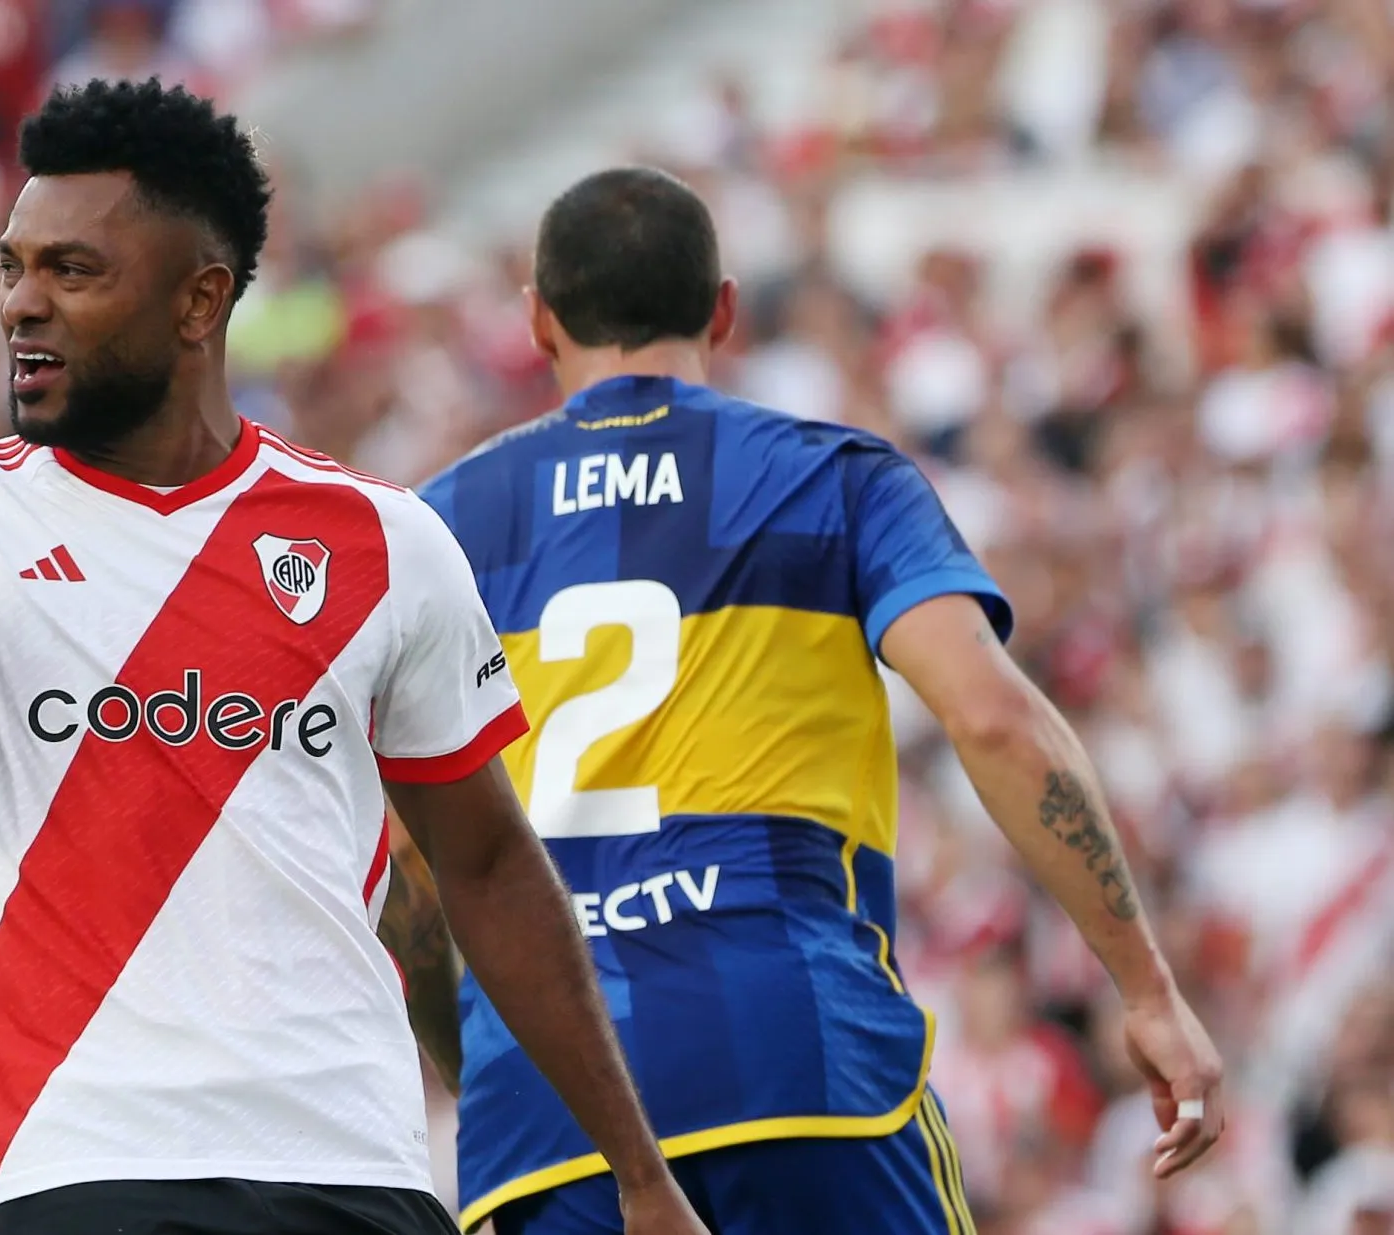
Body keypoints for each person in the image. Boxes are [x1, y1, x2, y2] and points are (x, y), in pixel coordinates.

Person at [0, 82, 708, 1235]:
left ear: (200, 300)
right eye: (12, 268)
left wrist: (638, 1172)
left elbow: (483, 873)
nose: (21, 307)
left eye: (72, 271)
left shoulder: (385, 541)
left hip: (356, 1168)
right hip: (86, 1162)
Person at [380, 167, 1227, 1235]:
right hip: (798, 1062)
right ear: (723, 309)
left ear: (537, 321)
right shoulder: (831, 477)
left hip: (545, 1122)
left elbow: (401, 866)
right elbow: (992, 717)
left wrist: (515, 1056)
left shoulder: (430, 532)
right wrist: (1144, 989)